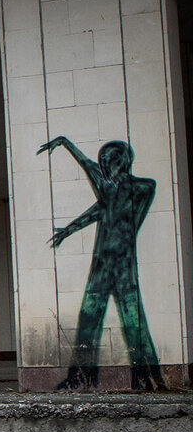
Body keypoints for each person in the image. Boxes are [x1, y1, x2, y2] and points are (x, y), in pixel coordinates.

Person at [38, 136, 164, 390]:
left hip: (123, 266)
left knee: (134, 322)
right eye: (103, 163)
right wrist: (69, 230)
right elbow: (101, 209)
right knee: (88, 320)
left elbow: (101, 188)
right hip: (101, 266)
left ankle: (147, 377)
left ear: (123, 161)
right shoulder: (110, 191)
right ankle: (82, 377)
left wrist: (66, 144)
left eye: (109, 162)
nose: (104, 168)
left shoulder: (144, 187)